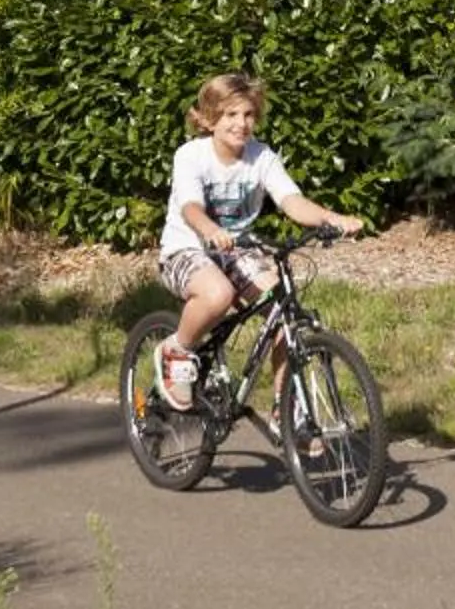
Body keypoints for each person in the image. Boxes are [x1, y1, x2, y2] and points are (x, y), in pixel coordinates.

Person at [154, 72, 362, 411]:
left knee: (283, 310)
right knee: (217, 294)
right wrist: (209, 230)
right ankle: (177, 348)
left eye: (248, 114)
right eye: (230, 115)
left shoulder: (261, 156)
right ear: (209, 119)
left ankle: (288, 408)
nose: (241, 124)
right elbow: (190, 207)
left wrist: (333, 219)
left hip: (236, 251)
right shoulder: (191, 156)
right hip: (186, 249)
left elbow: (291, 201)